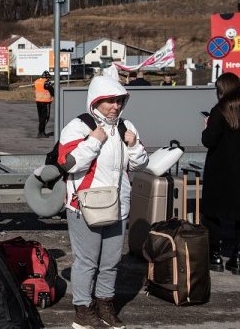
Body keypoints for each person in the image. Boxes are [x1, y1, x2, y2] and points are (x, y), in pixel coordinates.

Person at [58, 75, 148, 329]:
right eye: (109, 100)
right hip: (85, 206)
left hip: (118, 205)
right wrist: (95, 140)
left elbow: (139, 164)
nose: (115, 106)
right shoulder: (78, 126)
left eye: (119, 100)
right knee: (87, 262)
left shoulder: (125, 127)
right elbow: (69, 163)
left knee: (110, 262)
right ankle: (83, 310)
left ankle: (105, 305)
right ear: (95, 101)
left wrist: (134, 145)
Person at [201, 72, 240, 275]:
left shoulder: (220, 111)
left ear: (222, 90)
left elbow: (209, 141)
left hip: (220, 172)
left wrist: (207, 126)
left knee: (212, 214)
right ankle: (237, 259)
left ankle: (215, 256)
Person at [34, 70, 55, 138]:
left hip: (38, 101)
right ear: (47, 77)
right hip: (45, 102)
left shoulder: (37, 81)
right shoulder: (46, 83)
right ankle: (41, 132)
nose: (49, 79)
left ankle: (41, 131)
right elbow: (52, 91)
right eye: (48, 78)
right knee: (45, 118)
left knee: (41, 117)